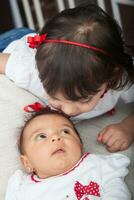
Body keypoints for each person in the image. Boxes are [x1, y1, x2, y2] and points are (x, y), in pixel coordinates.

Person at [0, 4, 134, 153]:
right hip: (13, 41)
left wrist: (128, 127)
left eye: (84, 100)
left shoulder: (121, 80)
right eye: (54, 97)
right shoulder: (29, 70)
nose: (69, 111)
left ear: (110, 77)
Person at [5, 105, 131, 200]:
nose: (56, 137)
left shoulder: (97, 165)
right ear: (27, 162)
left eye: (65, 131)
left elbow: (117, 192)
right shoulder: (22, 188)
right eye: (41, 136)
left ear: (80, 146)